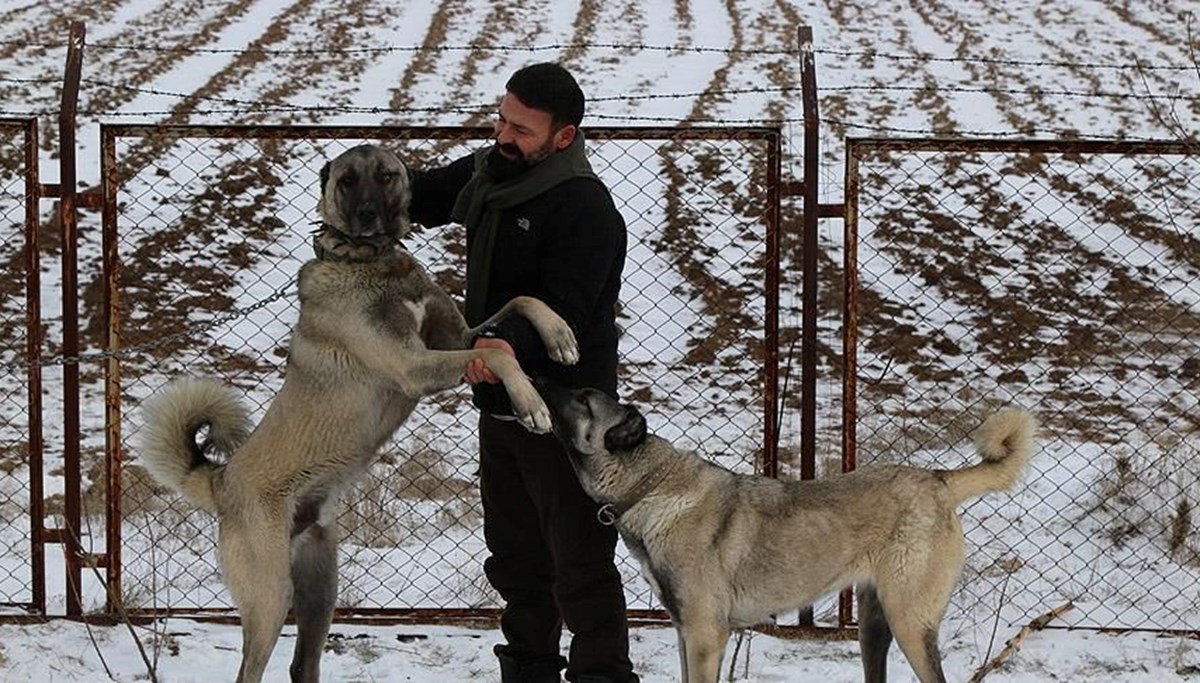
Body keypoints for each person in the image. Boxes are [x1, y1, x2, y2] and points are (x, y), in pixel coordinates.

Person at [407, 63, 638, 683]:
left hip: (570, 419)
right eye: (502, 119)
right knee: (515, 565)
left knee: (581, 570)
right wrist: (361, 178)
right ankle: (528, 673)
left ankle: (602, 676)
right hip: (502, 406)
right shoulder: (490, 174)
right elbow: (420, 194)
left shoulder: (585, 209)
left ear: (563, 137)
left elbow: (562, 309)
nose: (504, 135)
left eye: (523, 129)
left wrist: (493, 347)